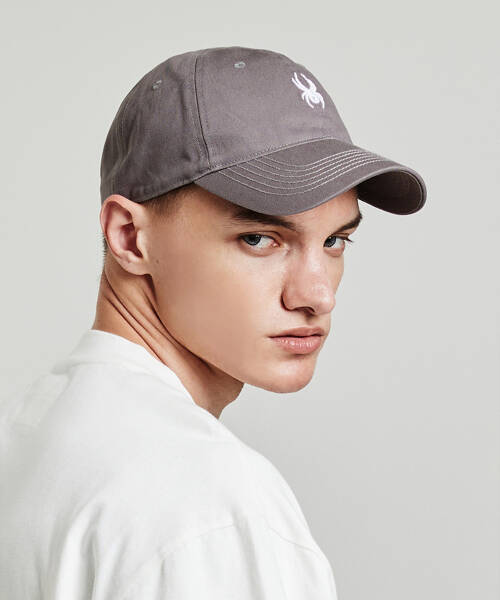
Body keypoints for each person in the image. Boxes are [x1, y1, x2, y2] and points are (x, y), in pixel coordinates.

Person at [0, 46, 427, 599]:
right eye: (259, 238)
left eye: (335, 241)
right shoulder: (215, 505)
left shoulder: (29, 433)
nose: (318, 295)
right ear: (129, 237)